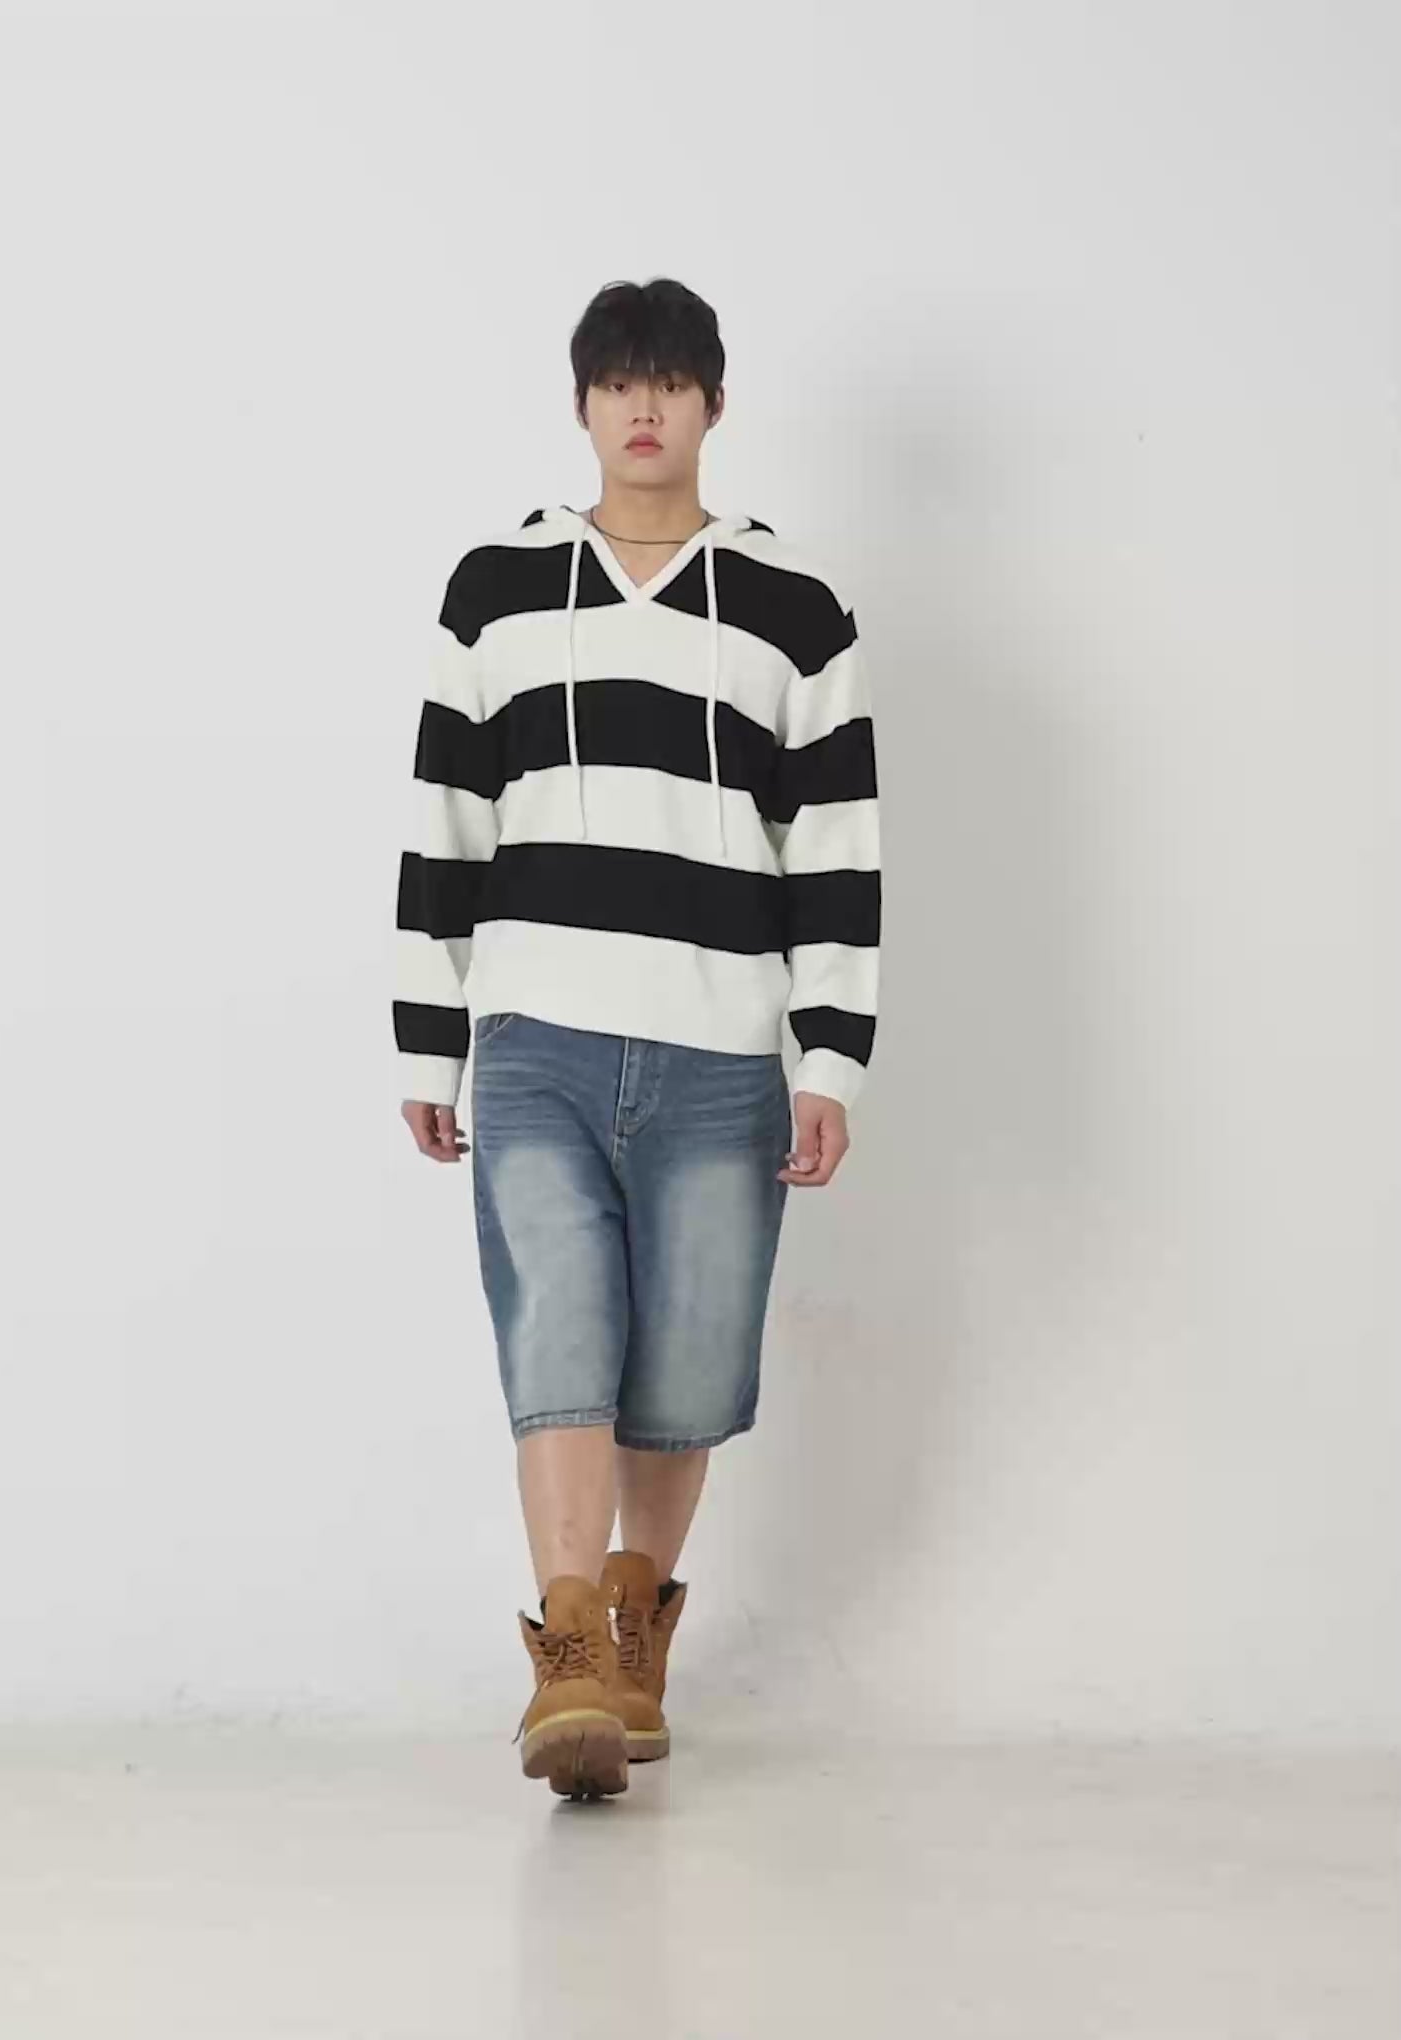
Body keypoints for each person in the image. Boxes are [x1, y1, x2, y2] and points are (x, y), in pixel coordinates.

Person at [392, 276, 881, 1799]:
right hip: (536, 1032)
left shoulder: (795, 610)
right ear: (583, 404)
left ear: (714, 404)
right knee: (557, 1331)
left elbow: (838, 849)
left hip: (722, 1054)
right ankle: (568, 1656)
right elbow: (446, 821)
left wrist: (828, 1060)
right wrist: (427, 1046)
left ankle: (632, 1636)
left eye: (670, 381)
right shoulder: (497, 590)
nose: (644, 407)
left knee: (684, 1366)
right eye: (619, 382)